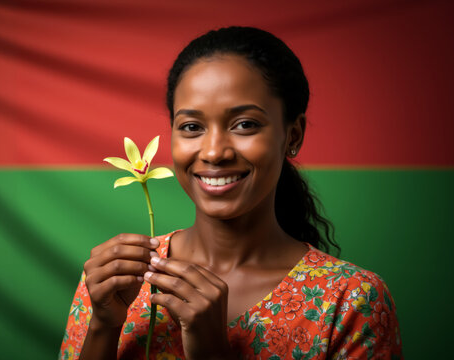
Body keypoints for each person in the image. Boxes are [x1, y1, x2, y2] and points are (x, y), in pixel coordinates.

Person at [60, 26, 403, 360]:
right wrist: (104, 326)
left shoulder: (350, 300)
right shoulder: (117, 277)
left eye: (245, 125)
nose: (213, 152)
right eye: (192, 127)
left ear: (293, 135)